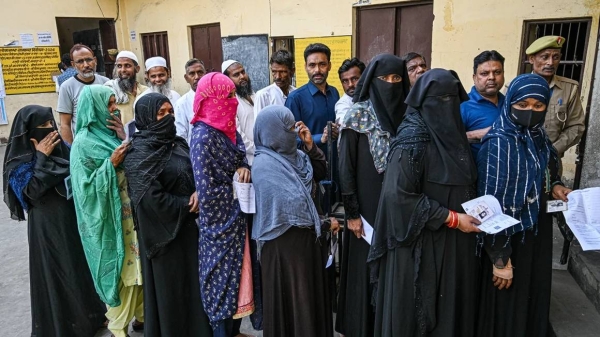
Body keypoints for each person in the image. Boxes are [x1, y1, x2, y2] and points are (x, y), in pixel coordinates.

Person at [367, 69, 482, 337]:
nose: (447, 104)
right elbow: (398, 196)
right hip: (419, 246)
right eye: (439, 98)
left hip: (455, 246)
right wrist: (451, 218)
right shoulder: (412, 140)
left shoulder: (453, 135)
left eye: (452, 98)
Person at [476, 74, 571, 337]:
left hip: (536, 228)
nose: (530, 111)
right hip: (508, 236)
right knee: (507, 294)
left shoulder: (538, 137)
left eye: (538, 106)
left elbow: (548, 169)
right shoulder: (497, 143)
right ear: (510, 104)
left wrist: (555, 186)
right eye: (523, 104)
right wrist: (500, 257)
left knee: (532, 288)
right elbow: (488, 206)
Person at [2, 105, 106, 336]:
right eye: (44, 126)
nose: (51, 130)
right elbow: (31, 192)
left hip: (71, 217)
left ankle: (91, 318)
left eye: (52, 124)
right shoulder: (19, 162)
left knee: (78, 266)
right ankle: (64, 327)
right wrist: (40, 158)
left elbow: (79, 169)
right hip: (46, 225)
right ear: (29, 132)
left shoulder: (62, 147)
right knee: (58, 271)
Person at [124, 93, 212, 336]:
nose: (168, 118)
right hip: (162, 237)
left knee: (192, 289)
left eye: (170, 112)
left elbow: (196, 171)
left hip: (187, 231)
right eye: (161, 113)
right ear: (146, 117)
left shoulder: (178, 143)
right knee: (170, 293)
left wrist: (198, 191)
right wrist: (187, 204)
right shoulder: (139, 154)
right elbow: (150, 200)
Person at [336, 53, 410, 337]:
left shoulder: (409, 115)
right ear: (373, 81)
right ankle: (361, 326)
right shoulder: (357, 114)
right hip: (365, 207)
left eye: (396, 79)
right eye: (384, 79)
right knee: (365, 264)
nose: (390, 84)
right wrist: (352, 214)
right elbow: (346, 168)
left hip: (398, 204)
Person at [252, 105, 338, 337]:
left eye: (295, 126)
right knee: (295, 304)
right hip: (284, 247)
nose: (293, 132)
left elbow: (320, 173)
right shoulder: (264, 166)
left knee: (309, 302)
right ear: (273, 131)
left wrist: (310, 146)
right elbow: (296, 206)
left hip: (308, 243)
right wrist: (326, 223)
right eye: (288, 128)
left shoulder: (298, 156)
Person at [70, 85, 144, 337]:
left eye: (114, 103)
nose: (114, 109)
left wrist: (124, 137)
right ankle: (117, 326)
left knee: (137, 268)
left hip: (129, 216)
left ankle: (141, 317)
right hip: (109, 220)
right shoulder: (82, 144)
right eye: (109, 104)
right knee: (122, 271)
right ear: (95, 108)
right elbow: (84, 190)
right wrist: (110, 165)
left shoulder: (111, 134)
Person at [190, 72, 253, 337]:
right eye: (225, 97)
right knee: (220, 283)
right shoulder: (203, 137)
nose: (232, 101)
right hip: (220, 227)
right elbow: (208, 193)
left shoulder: (228, 128)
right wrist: (235, 187)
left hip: (238, 221)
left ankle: (234, 331)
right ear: (210, 100)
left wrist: (243, 167)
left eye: (232, 95)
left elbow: (242, 157)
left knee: (238, 281)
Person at [526, 35, 585, 159]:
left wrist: (552, 150)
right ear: (531, 59)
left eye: (556, 57)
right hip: (520, 158)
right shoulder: (515, 86)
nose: (550, 63)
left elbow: (576, 126)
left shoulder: (569, 88)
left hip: (551, 160)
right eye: (545, 57)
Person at [285, 43, 340, 154]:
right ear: (306, 67)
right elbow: (289, 139)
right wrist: (321, 138)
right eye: (312, 65)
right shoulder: (295, 99)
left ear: (329, 66)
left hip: (335, 162)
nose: (317, 70)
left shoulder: (334, 93)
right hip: (310, 165)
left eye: (322, 64)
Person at [57, 44, 109, 144]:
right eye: (80, 61)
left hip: (107, 142)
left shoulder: (106, 83)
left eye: (89, 60)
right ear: (73, 65)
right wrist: (71, 151)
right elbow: (65, 124)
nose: (86, 65)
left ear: (95, 60)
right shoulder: (67, 87)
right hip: (84, 145)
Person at [460, 50, 506, 158]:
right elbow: (449, 140)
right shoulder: (463, 106)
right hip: (476, 172)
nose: (492, 77)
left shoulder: (510, 103)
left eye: (497, 72)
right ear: (474, 77)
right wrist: (475, 134)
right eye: (484, 73)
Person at [223, 60, 256, 165]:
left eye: (243, 72)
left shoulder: (252, 94)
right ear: (228, 79)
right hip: (246, 160)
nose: (242, 76)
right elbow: (237, 135)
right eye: (236, 75)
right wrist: (257, 149)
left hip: (262, 154)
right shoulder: (229, 101)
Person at [104, 51, 149, 124]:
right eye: (119, 66)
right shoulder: (111, 91)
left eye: (127, 66)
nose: (123, 70)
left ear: (137, 69)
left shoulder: (146, 91)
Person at [254, 49, 296, 115]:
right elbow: (259, 124)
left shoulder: (296, 93)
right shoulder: (263, 95)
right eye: (274, 71)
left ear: (292, 71)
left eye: (282, 72)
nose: (278, 77)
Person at [175, 58, 206, 143]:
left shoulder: (214, 98)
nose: (197, 77)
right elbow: (181, 135)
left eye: (200, 72)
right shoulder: (181, 103)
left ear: (205, 74)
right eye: (192, 74)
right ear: (186, 78)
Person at [335, 57, 366, 123]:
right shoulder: (343, 104)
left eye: (354, 79)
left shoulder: (374, 96)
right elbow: (345, 124)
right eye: (345, 81)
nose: (350, 84)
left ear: (364, 78)